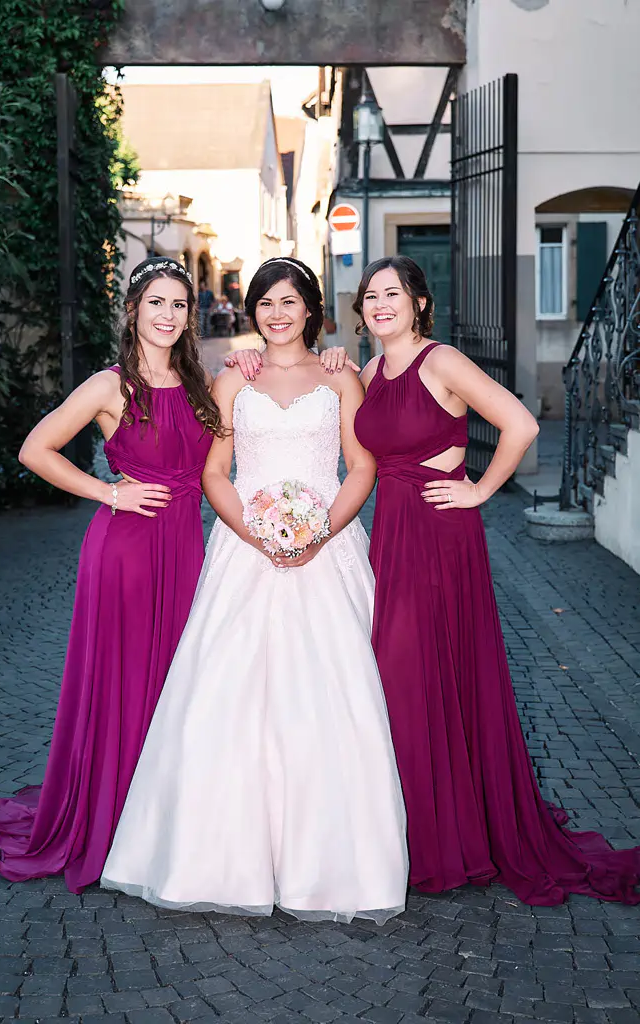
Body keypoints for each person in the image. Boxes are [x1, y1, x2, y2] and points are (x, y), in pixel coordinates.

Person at [231, 255, 640, 906]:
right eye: (369, 296)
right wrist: (281, 362)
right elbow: (329, 410)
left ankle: (443, 838)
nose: (380, 305)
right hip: (389, 535)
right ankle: (410, 830)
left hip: (439, 533)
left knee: (420, 672)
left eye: (393, 294)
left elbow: (520, 423)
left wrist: (478, 490)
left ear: (419, 302)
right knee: (397, 680)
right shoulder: (364, 370)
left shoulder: (441, 361)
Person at [101, 256, 408, 922]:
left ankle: (333, 862)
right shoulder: (230, 381)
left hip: (328, 546)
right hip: (246, 547)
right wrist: (258, 534)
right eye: (265, 303)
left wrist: (320, 530)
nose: (275, 314)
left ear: (311, 309)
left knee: (337, 695)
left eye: (289, 303)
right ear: (253, 312)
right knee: (223, 697)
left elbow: (361, 466)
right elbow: (216, 473)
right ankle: (215, 858)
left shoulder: (341, 377)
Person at [0, 258, 218, 894]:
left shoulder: (199, 381)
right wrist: (107, 493)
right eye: (156, 303)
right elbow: (34, 449)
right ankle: (113, 814)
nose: (167, 315)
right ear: (132, 311)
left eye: (179, 305)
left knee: (178, 678)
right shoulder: (111, 386)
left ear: (190, 316)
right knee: (128, 679)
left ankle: (165, 816)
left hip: (185, 548)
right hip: (126, 549)